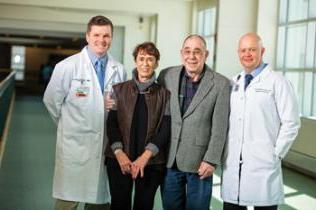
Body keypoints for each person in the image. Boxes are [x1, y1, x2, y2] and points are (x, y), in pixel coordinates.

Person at [43, 15, 126, 210]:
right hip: (74, 146)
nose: (101, 40)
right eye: (96, 35)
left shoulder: (119, 70)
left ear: (111, 38)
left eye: (106, 35)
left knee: (99, 202)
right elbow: (51, 101)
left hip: (104, 146)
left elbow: (120, 108)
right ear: (87, 36)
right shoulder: (67, 67)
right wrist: (69, 126)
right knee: (68, 201)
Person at [221, 33, 300, 210]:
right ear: (238, 53)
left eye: (252, 49)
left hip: (264, 163)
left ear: (262, 51)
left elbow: (291, 122)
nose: (247, 54)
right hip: (234, 162)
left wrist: (276, 153)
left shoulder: (278, 82)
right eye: (243, 50)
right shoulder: (233, 82)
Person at [158, 34, 231, 210]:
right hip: (170, 159)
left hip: (200, 163)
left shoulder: (220, 84)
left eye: (197, 52)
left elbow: (220, 127)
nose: (192, 56)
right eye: (187, 51)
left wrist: (211, 160)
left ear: (206, 54)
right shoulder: (166, 75)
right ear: (181, 53)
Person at [105, 42, 170, 210]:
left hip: (151, 162)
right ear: (135, 61)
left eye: (150, 59)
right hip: (119, 160)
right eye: (141, 58)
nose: (145, 63)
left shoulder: (165, 95)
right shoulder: (118, 90)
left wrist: (145, 157)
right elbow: (111, 124)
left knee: (144, 206)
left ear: (156, 63)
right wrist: (119, 153)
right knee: (119, 205)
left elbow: (165, 128)